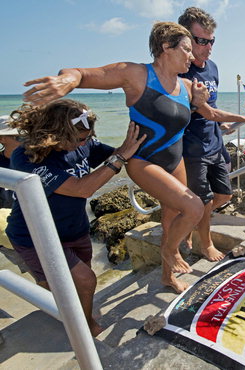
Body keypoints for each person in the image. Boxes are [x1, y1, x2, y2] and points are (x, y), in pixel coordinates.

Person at [22, 21, 211, 293]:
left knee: (171, 217)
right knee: (193, 207)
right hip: (144, 160)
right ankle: (170, 252)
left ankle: (168, 276)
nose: (192, 56)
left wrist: (199, 101)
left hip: (174, 159)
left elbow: (190, 115)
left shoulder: (185, 84)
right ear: (166, 48)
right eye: (186, 49)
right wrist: (67, 80)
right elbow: (81, 74)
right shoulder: (135, 74)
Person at [6, 99, 145, 336]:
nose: (84, 144)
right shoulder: (26, 156)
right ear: (55, 133)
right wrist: (119, 158)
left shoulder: (84, 143)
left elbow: (119, 154)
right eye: (79, 139)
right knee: (84, 280)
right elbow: (81, 188)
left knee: (80, 281)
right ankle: (84, 325)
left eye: (87, 138)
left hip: (75, 229)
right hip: (36, 236)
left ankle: (77, 311)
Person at [177, 7, 245, 262]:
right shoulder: (180, 70)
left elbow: (210, 113)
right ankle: (206, 244)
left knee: (224, 195)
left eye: (211, 40)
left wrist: (223, 127)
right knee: (200, 201)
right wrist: (243, 118)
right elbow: (209, 111)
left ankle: (188, 225)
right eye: (201, 41)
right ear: (186, 39)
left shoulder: (212, 67)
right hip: (192, 148)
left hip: (215, 142)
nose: (208, 47)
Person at [0, 116, 21, 208]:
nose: (26, 141)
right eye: (18, 138)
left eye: (27, 136)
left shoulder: (37, 161)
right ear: (2, 139)